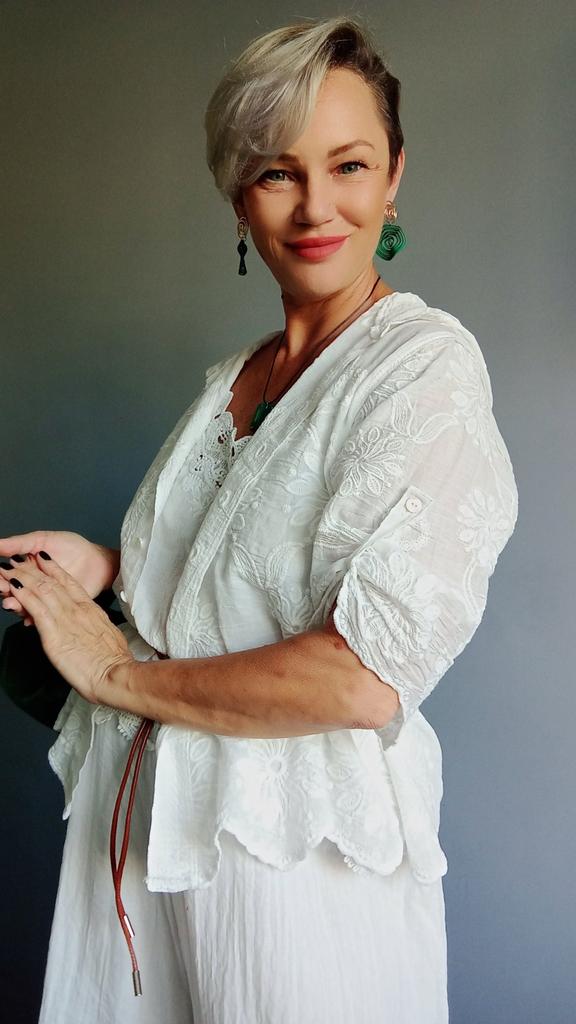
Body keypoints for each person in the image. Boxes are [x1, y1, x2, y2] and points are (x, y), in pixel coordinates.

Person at [0, 15, 519, 1023]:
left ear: (394, 176)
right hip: (149, 841)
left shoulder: (421, 370)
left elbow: (361, 677)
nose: (317, 205)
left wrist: (111, 672)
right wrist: (109, 568)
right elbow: (247, 569)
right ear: (238, 196)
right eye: (278, 172)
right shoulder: (236, 376)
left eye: (349, 164)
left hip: (287, 867)